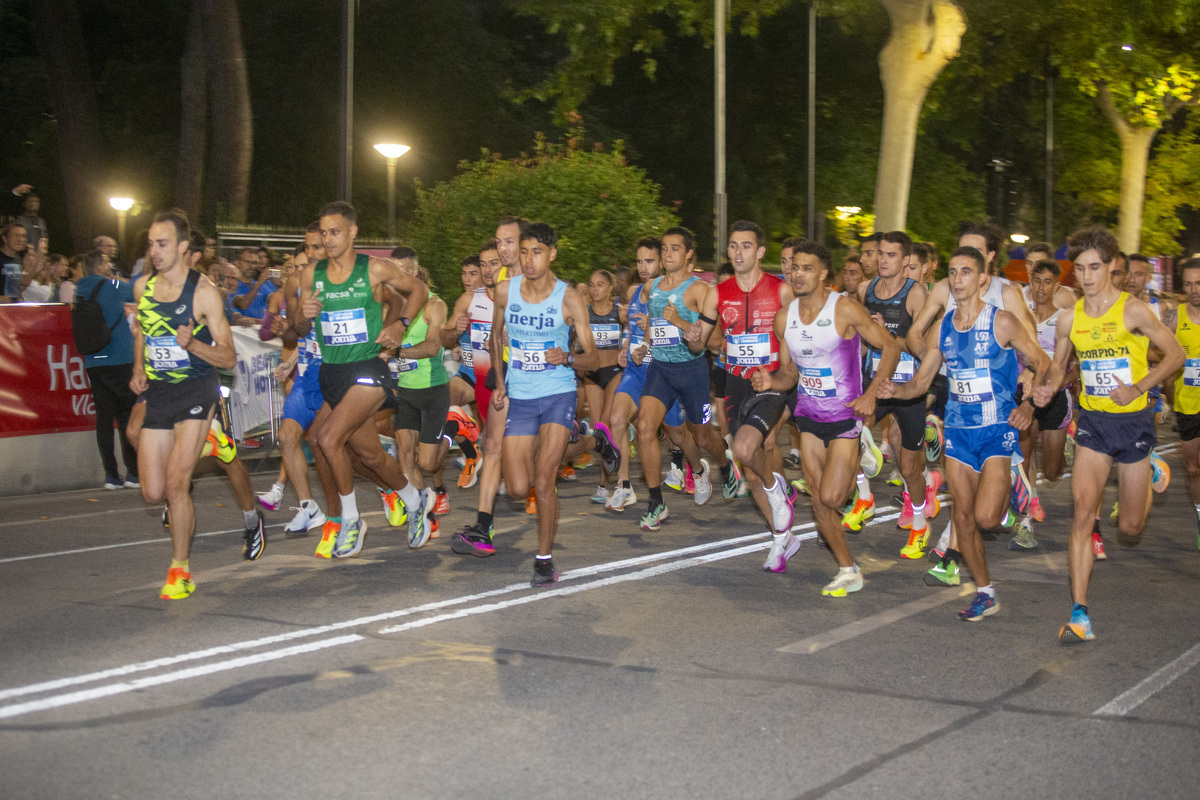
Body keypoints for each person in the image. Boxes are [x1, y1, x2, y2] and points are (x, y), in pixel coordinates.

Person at [1035, 227, 1184, 644]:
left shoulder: (1133, 311)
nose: (1086, 276)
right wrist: (1047, 386)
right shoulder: (1070, 318)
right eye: (1079, 268)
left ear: (1112, 266)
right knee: (1083, 516)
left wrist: (1137, 388)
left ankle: (1152, 463)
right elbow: (1060, 366)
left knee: (1131, 528)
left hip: (1134, 423)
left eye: (1094, 267)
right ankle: (1080, 612)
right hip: (1095, 425)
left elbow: (1176, 354)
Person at [886, 246, 1050, 622]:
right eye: (952, 273)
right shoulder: (942, 328)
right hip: (959, 431)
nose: (957, 279)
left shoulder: (1003, 321)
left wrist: (1028, 406)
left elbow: (1043, 362)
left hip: (996, 431)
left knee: (987, 519)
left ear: (981, 280)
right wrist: (893, 391)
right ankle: (985, 592)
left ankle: (1013, 481)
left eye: (965, 272)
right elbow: (922, 381)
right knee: (963, 517)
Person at [759, 241, 899, 595]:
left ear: (823, 274)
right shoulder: (783, 318)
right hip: (808, 416)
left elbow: (891, 348)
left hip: (845, 415)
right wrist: (769, 380)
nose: (798, 274)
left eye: (807, 268)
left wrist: (871, 394)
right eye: (794, 267)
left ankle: (859, 455)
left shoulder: (845, 310)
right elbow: (789, 375)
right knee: (821, 502)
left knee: (834, 498)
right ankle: (848, 569)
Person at [293, 201, 431, 558]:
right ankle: (416, 500)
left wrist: (399, 327)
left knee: (326, 438)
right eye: (323, 233)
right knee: (369, 456)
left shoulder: (374, 269)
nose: (328, 239)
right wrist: (304, 317)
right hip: (333, 373)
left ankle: (351, 520)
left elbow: (417, 291)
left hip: (369, 370)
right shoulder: (312, 275)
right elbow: (299, 328)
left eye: (335, 231)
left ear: (352, 232)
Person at [489, 221, 615, 585]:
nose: (528, 260)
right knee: (516, 488)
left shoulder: (569, 298)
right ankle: (594, 441)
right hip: (521, 396)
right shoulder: (504, 291)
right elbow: (495, 337)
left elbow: (594, 358)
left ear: (552, 254)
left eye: (537, 252)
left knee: (544, 479)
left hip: (558, 393)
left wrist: (568, 358)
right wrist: (500, 380)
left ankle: (543, 559)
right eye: (524, 252)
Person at [131, 210, 238, 600]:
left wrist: (192, 344)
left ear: (182, 247)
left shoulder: (204, 292)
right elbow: (142, 329)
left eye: (162, 244)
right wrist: (138, 367)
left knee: (177, 485)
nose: (154, 251)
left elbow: (229, 358)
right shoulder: (142, 287)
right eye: (151, 244)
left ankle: (180, 569)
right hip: (159, 392)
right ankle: (210, 441)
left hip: (196, 389)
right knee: (152, 492)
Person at [693, 220, 796, 555]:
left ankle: (775, 486)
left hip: (770, 380)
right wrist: (692, 338)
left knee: (744, 448)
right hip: (736, 383)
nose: (738, 252)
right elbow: (699, 342)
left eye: (746, 246)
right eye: (733, 246)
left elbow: (799, 336)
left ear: (760, 251)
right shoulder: (717, 294)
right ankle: (782, 538)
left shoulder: (781, 290)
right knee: (750, 471)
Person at [636, 226, 735, 530]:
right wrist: (643, 347)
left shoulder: (699, 290)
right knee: (645, 428)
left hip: (692, 371)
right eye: (664, 249)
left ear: (689, 253)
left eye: (675, 249)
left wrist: (683, 324)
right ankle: (656, 502)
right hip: (661, 369)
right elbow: (654, 326)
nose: (667, 254)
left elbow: (709, 338)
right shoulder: (652, 288)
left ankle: (725, 466)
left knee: (702, 436)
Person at [855, 231, 940, 556]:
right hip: (875, 382)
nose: (884, 260)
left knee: (908, 469)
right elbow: (861, 340)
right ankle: (863, 497)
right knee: (849, 433)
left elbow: (926, 348)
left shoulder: (917, 295)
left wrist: (885, 335)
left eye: (891, 255)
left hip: (907, 387)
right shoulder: (866, 290)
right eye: (881, 254)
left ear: (906, 261)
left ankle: (919, 524)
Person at [258, 225, 330, 539]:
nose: (310, 256)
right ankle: (309, 507)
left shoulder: (342, 282)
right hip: (307, 371)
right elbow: (297, 335)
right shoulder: (294, 286)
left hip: (338, 372)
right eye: (307, 250)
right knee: (289, 437)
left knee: (352, 449)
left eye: (317, 248)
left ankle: (397, 491)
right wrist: (283, 334)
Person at [1012, 257, 1076, 548]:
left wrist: (1057, 383)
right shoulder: (1019, 318)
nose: (1040, 288)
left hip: (1055, 399)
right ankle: (1025, 525)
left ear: (1056, 286)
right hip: (1024, 395)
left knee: (1052, 472)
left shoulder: (1064, 319)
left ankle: (1067, 445)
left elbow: (1077, 366)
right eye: (1036, 281)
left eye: (1047, 282)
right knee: (1023, 459)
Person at [76, 249, 139, 489]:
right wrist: (119, 278)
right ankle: (133, 473)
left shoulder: (79, 290)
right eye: (107, 262)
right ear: (101, 266)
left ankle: (111, 475)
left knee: (104, 418)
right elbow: (137, 292)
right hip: (120, 357)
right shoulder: (111, 285)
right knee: (126, 414)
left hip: (94, 360)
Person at [579, 268, 623, 503]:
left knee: (605, 425)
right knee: (599, 431)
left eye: (600, 285)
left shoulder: (620, 314)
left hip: (615, 372)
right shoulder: (584, 314)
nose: (595, 289)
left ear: (610, 289)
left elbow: (638, 333)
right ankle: (603, 483)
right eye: (592, 284)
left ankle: (614, 483)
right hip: (593, 375)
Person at [1170, 258, 1200, 549]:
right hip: (1186, 404)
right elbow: (1154, 350)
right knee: (1193, 469)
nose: (1194, 290)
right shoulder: (1175, 317)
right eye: (1189, 284)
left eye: (1199, 283)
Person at [1, 223, 28, 302]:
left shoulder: (19, 260)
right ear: (5, 239)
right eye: (16, 235)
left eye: (23, 236)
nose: (21, 239)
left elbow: (21, 287)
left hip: (13, 309)